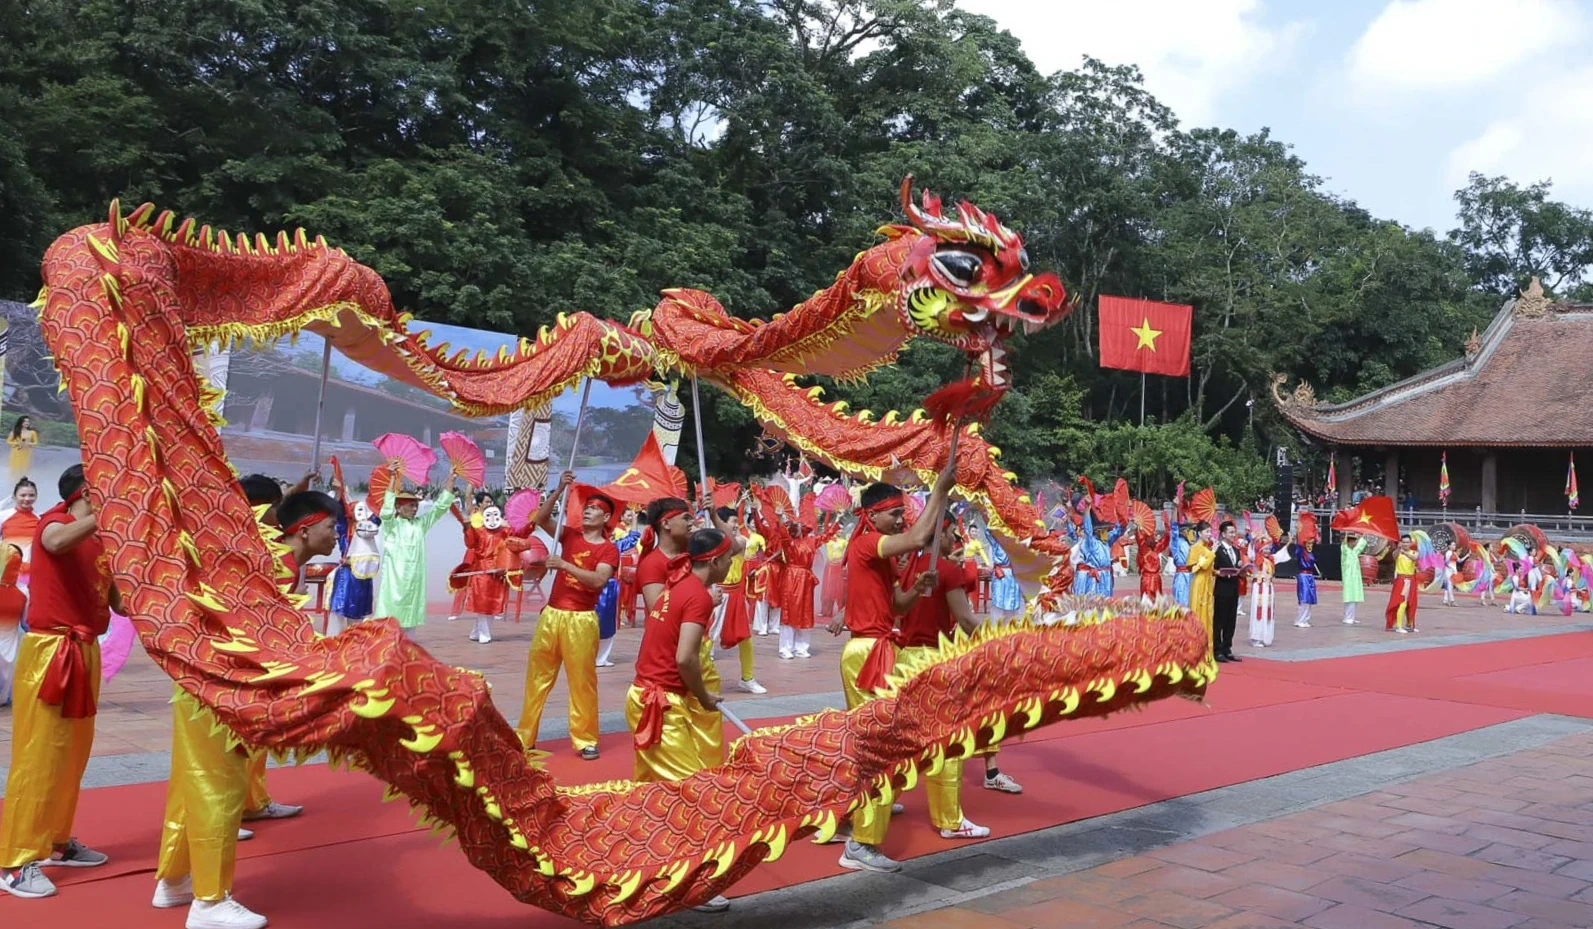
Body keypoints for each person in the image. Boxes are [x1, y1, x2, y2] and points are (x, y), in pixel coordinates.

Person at [152, 491, 337, 929]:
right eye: (332, 527)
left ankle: (175, 881)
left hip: (207, 683)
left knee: (193, 788)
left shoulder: (278, 563)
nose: (336, 536)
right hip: (220, 687)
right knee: (220, 789)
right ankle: (210, 902)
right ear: (305, 529)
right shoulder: (276, 568)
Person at [829, 461, 955, 874]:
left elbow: (895, 607)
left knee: (870, 744)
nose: (902, 519)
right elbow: (920, 536)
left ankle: (851, 816)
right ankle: (862, 844)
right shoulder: (868, 542)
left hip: (875, 648)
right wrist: (940, 488)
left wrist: (917, 589)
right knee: (879, 747)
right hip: (869, 654)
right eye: (895, 513)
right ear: (872, 514)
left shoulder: (877, 551)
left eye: (902, 512)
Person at [0, 465, 116, 900]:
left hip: (85, 651)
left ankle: (55, 842)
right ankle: (14, 861)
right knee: (38, 756)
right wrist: (109, 516)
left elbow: (119, 604)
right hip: (51, 652)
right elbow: (53, 542)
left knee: (72, 755)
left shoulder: (102, 541)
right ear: (89, 492)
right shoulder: (57, 521)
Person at [624, 527, 738, 913]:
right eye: (729, 560)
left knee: (653, 793)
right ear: (716, 561)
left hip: (647, 695)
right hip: (660, 702)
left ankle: (644, 865)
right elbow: (685, 658)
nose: (731, 565)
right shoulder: (697, 596)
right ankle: (691, 884)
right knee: (691, 795)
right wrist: (704, 698)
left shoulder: (681, 584)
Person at [896, 515, 991, 840]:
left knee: (904, 742)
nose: (957, 539)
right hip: (932, 660)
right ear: (942, 535)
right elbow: (965, 619)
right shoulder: (946, 571)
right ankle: (949, 818)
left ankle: (880, 800)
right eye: (953, 533)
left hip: (904, 659)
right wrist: (999, 643)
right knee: (949, 742)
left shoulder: (907, 567)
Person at [517, 472, 618, 759]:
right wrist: (560, 488)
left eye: (595, 508)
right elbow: (540, 517)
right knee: (537, 678)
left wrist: (564, 564)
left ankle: (585, 739)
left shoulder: (609, 550)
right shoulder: (569, 534)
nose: (588, 511)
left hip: (581, 621)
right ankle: (525, 736)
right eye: (586, 507)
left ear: (606, 517)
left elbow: (598, 581)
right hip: (551, 616)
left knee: (582, 682)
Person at [238, 475, 309, 827]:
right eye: (277, 506)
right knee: (235, 736)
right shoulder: (242, 546)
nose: (280, 514)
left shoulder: (268, 541)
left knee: (258, 731)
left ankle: (253, 800)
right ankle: (225, 811)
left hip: (266, 652)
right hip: (242, 653)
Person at [374, 476, 456, 638]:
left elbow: (439, 508)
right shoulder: (391, 526)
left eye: (416, 506)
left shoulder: (420, 524)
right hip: (394, 584)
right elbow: (386, 512)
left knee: (409, 627)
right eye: (411, 505)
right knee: (390, 624)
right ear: (399, 506)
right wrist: (392, 477)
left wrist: (451, 479)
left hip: (414, 583)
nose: (415, 509)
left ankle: (407, 654)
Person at [447, 499, 530, 645]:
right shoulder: (479, 531)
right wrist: (467, 527)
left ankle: (475, 632)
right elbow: (470, 542)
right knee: (483, 604)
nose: (492, 519)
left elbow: (521, 535)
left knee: (494, 605)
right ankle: (484, 633)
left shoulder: (505, 531)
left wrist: (530, 522)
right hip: (482, 571)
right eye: (489, 515)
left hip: (499, 571)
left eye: (495, 515)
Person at [714, 506, 764, 694]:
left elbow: (732, 545)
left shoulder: (741, 541)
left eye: (737, 521)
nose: (737, 525)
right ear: (722, 523)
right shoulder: (712, 541)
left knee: (745, 638)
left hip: (735, 594)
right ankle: (700, 676)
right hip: (717, 593)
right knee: (707, 638)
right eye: (733, 521)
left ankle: (747, 678)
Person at [1212, 521, 1244, 663]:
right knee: (1219, 620)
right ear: (1223, 534)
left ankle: (1227, 648)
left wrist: (1242, 569)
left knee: (1231, 621)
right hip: (1222, 588)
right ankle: (1217, 649)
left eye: (1234, 532)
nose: (1233, 535)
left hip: (1234, 588)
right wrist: (1219, 573)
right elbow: (1211, 569)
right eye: (1230, 532)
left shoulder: (1236, 551)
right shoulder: (1217, 550)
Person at [1249, 532, 1288, 648]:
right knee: (1258, 610)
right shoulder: (1256, 558)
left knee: (1268, 611)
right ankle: (1256, 638)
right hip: (1259, 587)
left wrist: (1289, 542)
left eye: (1268, 549)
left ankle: (1266, 637)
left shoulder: (1271, 559)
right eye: (1264, 549)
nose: (1267, 551)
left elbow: (1281, 554)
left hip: (1269, 587)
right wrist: (1254, 540)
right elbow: (1250, 551)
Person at [1186, 523, 1215, 649]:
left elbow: (1209, 568)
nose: (1209, 534)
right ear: (1199, 533)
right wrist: (1212, 554)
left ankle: (1206, 645)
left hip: (1208, 582)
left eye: (1210, 531)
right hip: (1199, 583)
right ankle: (1195, 644)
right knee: (1199, 612)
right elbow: (1196, 567)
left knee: (1208, 613)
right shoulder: (1195, 548)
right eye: (1207, 531)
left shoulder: (1206, 549)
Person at [1386, 534, 1420, 633]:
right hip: (1402, 580)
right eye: (1403, 542)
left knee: (1412, 603)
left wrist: (1405, 552)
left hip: (1411, 580)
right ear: (1401, 542)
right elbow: (1394, 555)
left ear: (1410, 543)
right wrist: (1398, 548)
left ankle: (1410, 624)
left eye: (1407, 542)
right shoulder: (1397, 553)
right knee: (1402, 602)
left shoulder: (1414, 552)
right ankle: (1399, 626)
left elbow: (1414, 558)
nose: (1405, 544)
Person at [1340, 532, 1366, 625]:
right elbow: (1343, 545)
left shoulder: (1354, 552)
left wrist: (1362, 536)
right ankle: (1347, 617)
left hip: (1356, 578)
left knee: (1355, 598)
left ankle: (1352, 617)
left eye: (1354, 541)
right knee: (1349, 598)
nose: (1354, 543)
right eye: (1352, 541)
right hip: (1348, 578)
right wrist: (1346, 535)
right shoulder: (1345, 551)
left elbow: (1360, 546)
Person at [7, 416, 38, 483]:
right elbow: (8, 441)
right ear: (21, 422)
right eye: (25, 421)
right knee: (15, 469)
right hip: (16, 453)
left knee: (24, 469)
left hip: (26, 453)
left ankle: (22, 482)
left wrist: (29, 444)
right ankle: (13, 482)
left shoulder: (32, 432)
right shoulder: (15, 431)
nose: (27, 423)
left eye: (28, 421)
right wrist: (17, 443)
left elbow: (35, 443)